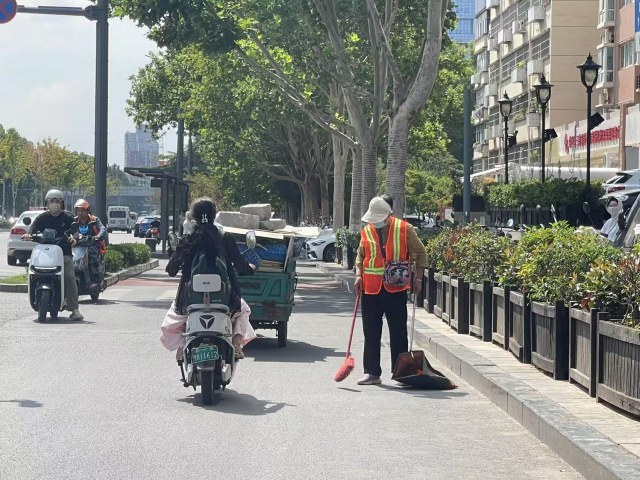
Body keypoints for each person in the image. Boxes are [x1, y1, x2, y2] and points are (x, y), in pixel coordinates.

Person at [160, 197, 257, 359]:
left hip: (190, 299)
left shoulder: (188, 239)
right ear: (214, 215)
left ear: (193, 216)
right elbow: (241, 267)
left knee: (171, 321)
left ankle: (181, 348)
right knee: (244, 310)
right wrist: (251, 268)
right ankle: (236, 344)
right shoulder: (225, 237)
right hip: (225, 300)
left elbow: (171, 270)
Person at [354, 196, 428, 386]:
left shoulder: (404, 229)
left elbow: (421, 254)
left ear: (388, 215)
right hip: (370, 289)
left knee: (398, 331)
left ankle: (401, 372)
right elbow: (360, 257)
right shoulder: (367, 230)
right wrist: (358, 276)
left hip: (395, 288)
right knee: (371, 331)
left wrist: (418, 279)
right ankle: (372, 373)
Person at [23, 189, 83, 321]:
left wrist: (74, 238)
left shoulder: (68, 217)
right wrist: (28, 234)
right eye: (51, 201)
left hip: (64, 253)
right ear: (46, 203)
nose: (54, 203)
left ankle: (74, 309)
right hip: (45, 253)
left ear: (62, 203)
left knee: (70, 276)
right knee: (33, 270)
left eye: (57, 201)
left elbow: (75, 231)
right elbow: (33, 228)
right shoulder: (42, 218)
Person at [73, 199, 107, 289]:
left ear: (87, 211)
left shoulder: (94, 219)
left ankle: (94, 280)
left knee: (92, 256)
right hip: (77, 245)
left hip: (92, 244)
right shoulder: (74, 221)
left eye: (83, 211)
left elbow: (102, 229)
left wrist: (97, 236)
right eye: (78, 211)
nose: (80, 213)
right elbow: (67, 230)